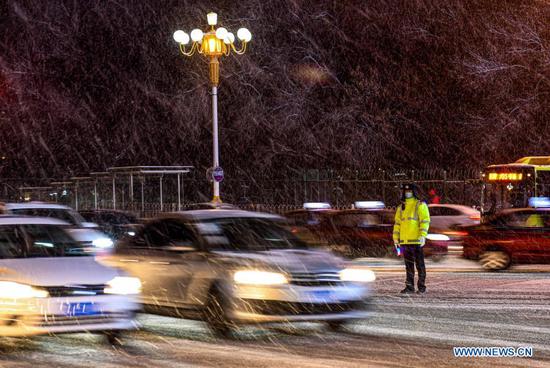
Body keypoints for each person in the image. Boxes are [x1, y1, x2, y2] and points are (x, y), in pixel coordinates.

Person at [393, 183, 430, 294]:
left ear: (414, 192)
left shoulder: (419, 205)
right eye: (405, 191)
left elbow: (425, 221)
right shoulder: (401, 208)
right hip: (404, 242)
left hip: (416, 242)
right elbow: (397, 225)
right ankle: (409, 287)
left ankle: (421, 287)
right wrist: (396, 240)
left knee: (419, 266)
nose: (407, 193)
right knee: (409, 267)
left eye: (409, 191)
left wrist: (423, 236)